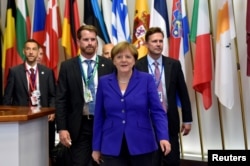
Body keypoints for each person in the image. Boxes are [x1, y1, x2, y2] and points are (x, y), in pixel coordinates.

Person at [92, 41, 171, 166]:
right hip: (111, 144)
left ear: (134, 60)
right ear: (113, 61)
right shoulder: (104, 82)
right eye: (119, 57)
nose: (124, 60)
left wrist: (163, 137)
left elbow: (157, 111)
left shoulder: (147, 80)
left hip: (142, 143)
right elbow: (99, 116)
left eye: (128, 57)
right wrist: (96, 147)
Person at [55, 25, 114, 166]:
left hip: (104, 123)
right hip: (79, 125)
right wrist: (62, 128)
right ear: (79, 42)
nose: (90, 43)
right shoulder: (67, 66)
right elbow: (61, 99)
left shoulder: (109, 65)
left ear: (97, 42)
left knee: (103, 162)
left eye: (93, 40)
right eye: (86, 39)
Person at [135, 27, 193, 166]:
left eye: (161, 41)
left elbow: (183, 93)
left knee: (172, 161)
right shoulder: (137, 66)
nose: (158, 44)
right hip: (146, 122)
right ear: (147, 43)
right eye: (154, 41)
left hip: (169, 120)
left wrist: (187, 119)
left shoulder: (173, 64)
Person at [2, 39, 56, 163]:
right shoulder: (14, 72)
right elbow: (7, 98)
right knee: (24, 153)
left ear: (38, 52)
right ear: (24, 51)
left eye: (34, 49)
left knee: (44, 153)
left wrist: (52, 111)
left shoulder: (47, 72)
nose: (31, 52)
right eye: (28, 49)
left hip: (43, 119)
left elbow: (53, 95)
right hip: (22, 121)